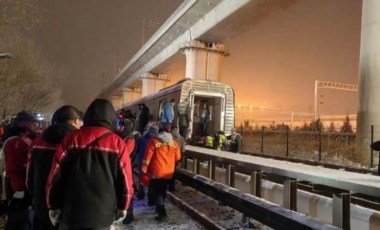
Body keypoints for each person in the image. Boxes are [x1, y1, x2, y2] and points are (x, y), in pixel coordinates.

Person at [46, 99, 134, 229]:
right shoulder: (117, 143)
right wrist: (123, 206)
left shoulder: (71, 139)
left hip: (71, 213)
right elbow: (126, 180)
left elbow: (55, 176)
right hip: (103, 216)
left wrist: (53, 205)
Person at [27, 105, 82, 230]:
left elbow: (29, 175)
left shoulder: (37, 141)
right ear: (75, 120)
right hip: (69, 207)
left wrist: (35, 195)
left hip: (41, 203)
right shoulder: (78, 141)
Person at [2, 111, 38, 229]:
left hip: (20, 188)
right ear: (22, 123)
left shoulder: (21, 139)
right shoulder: (15, 142)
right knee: (18, 220)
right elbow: (15, 167)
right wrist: (20, 189)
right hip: (18, 189)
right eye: (32, 122)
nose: (35, 125)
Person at [141, 128, 181, 221]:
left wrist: (144, 167)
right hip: (169, 172)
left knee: (157, 192)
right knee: (162, 190)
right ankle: (158, 208)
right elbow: (178, 157)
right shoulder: (173, 143)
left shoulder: (154, 141)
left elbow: (147, 156)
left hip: (157, 171)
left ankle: (162, 213)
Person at [136, 124, 158, 202]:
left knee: (142, 177)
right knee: (152, 180)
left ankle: (141, 193)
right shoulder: (157, 141)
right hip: (153, 162)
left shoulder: (141, 139)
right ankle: (150, 198)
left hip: (142, 161)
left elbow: (136, 150)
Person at [168, 127, 185, 191]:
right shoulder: (181, 138)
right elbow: (183, 149)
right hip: (176, 158)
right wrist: (181, 157)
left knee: (168, 172)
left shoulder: (170, 137)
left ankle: (169, 185)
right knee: (174, 172)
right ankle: (171, 186)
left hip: (169, 157)